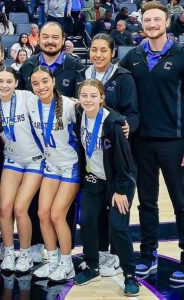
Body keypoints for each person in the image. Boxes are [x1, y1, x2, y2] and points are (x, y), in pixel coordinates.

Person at [119, 1, 184, 283]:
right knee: (147, 202)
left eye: (157, 20)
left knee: (181, 203)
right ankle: (148, 254)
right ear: (141, 23)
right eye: (148, 20)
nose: (152, 24)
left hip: (175, 141)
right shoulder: (132, 57)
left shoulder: (181, 54)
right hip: (141, 142)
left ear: (167, 23)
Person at [72, 78, 140, 296]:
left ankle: (130, 274)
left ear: (102, 98)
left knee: (118, 227)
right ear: (79, 97)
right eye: (84, 95)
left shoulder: (113, 123)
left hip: (119, 181)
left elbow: (124, 160)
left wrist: (120, 190)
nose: (88, 100)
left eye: (94, 96)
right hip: (94, 178)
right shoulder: (80, 116)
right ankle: (92, 266)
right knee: (87, 220)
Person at [0, 66, 42, 273]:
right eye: (0, 81)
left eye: (9, 81)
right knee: (5, 207)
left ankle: (25, 254)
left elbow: (52, 103)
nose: (4, 85)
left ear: (16, 83)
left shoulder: (27, 97)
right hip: (12, 160)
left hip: (35, 160)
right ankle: (9, 252)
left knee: (20, 208)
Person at [28, 66, 80, 282]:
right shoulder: (31, 104)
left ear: (53, 81)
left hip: (70, 166)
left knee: (57, 215)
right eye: (35, 83)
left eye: (44, 81)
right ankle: (53, 260)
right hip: (50, 165)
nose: (41, 87)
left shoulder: (69, 106)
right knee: (42, 214)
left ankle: (67, 265)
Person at [19, 21, 84, 97]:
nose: (50, 41)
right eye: (45, 37)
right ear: (39, 39)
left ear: (63, 40)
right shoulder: (28, 65)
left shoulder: (76, 66)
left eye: (55, 37)